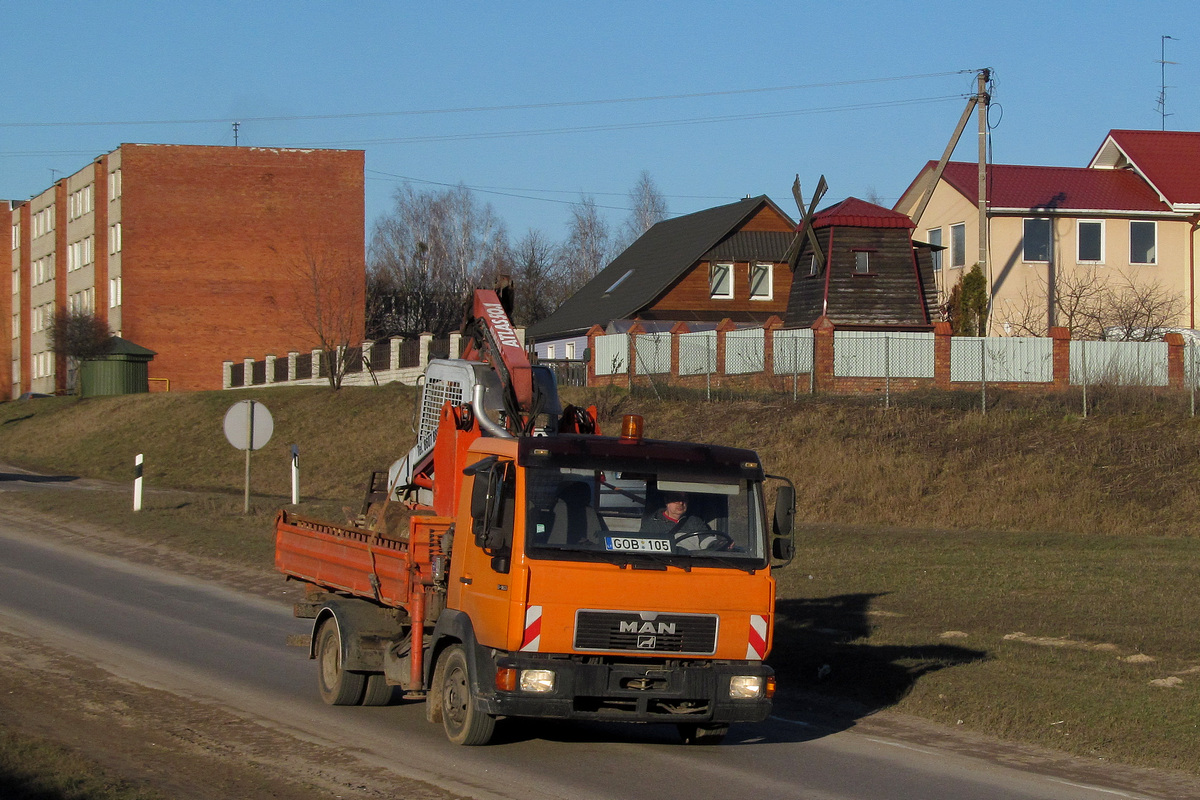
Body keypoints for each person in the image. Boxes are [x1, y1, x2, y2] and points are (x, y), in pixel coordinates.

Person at [641, 491, 724, 550]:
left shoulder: (695, 521)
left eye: (684, 499)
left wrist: (719, 544)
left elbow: (706, 540)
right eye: (676, 499)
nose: (681, 503)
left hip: (694, 565)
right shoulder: (652, 524)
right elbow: (643, 547)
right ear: (667, 501)